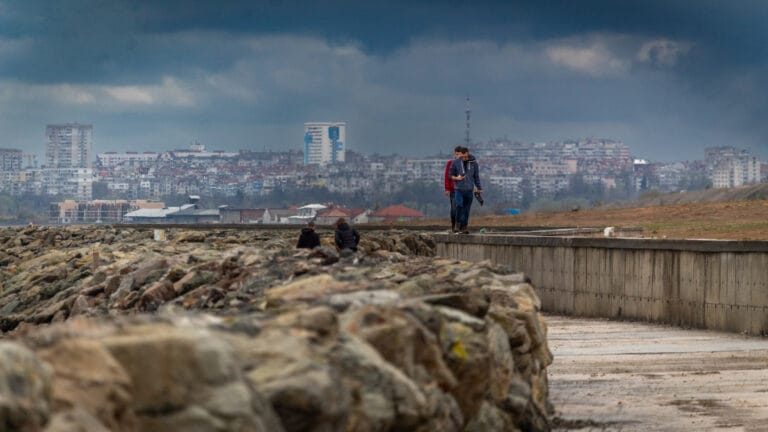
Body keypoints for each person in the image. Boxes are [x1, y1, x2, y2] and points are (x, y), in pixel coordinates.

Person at [448, 146, 482, 234]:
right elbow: (450, 175)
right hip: (459, 189)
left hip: (469, 190)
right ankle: (457, 224)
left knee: (466, 209)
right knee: (459, 205)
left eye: (466, 157)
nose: (464, 159)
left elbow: (476, 177)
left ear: (468, 153)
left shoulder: (474, 163)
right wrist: (456, 178)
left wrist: (479, 188)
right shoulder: (455, 162)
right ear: (461, 155)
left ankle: (464, 226)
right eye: (463, 157)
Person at [444, 145, 463, 232]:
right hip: (453, 190)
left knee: (462, 208)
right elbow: (447, 177)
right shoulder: (450, 163)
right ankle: (453, 225)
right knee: (454, 208)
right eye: (456, 154)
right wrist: (447, 188)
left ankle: (461, 226)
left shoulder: (464, 164)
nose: (457, 156)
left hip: (463, 189)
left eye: (459, 154)